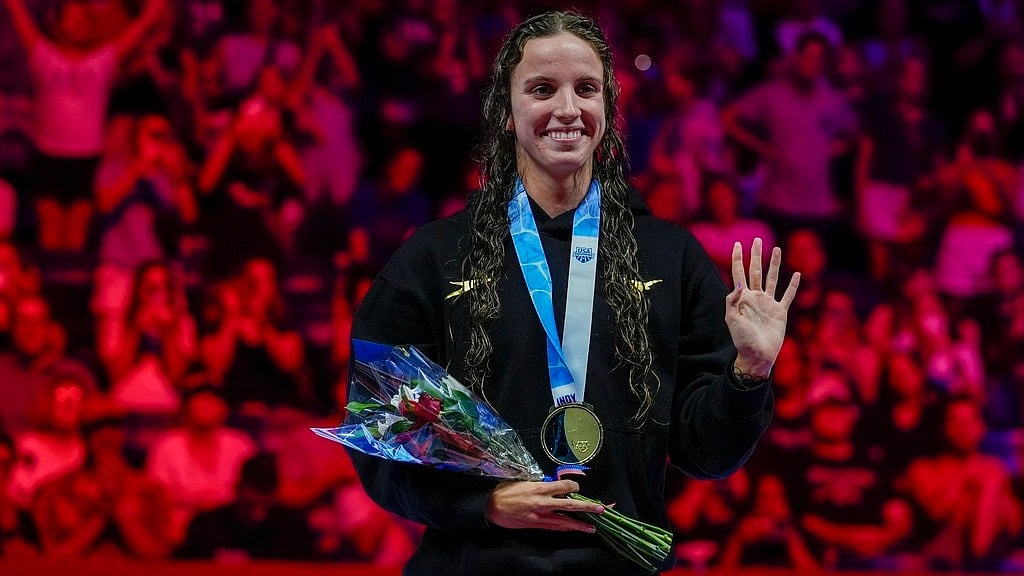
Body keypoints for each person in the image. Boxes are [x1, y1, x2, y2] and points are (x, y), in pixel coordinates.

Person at [342, 10, 800, 576]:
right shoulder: (434, 258)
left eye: (586, 89)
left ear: (607, 108)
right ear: (506, 113)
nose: (567, 109)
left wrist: (748, 375)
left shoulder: (668, 257)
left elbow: (705, 453)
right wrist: (481, 503)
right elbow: (381, 432)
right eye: (541, 89)